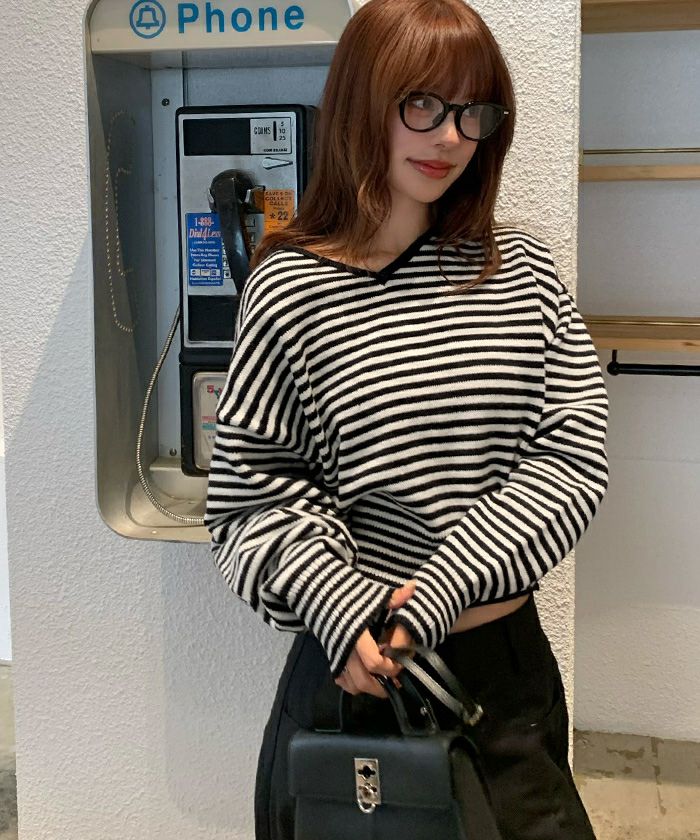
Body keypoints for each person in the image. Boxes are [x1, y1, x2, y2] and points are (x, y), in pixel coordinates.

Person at [204, 0, 609, 837]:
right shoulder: (289, 288)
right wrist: (342, 604)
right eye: (421, 103)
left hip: (501, 678)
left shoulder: (521, 274)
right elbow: (250, 497)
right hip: (351, 672)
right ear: (363, 100)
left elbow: (572, 459)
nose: (451, 136)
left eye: (474, 112)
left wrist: (436, 592)